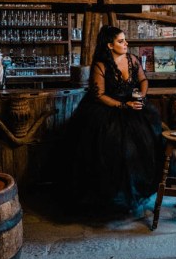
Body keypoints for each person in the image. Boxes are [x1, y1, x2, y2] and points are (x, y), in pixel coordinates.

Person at [70, 25, 164, 213]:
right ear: (109, 45)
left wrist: (142, 98)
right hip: (108, 109)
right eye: (121, 41)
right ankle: (115, 200)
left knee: (146, 146)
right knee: (114, 151)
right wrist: (123, 106)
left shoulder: (133, 60)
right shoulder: (101, 65)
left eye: (124, 40)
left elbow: (144, 80)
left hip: (134, 106)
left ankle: (137, 193)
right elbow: (99, 95)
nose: (126, 43)